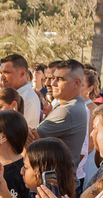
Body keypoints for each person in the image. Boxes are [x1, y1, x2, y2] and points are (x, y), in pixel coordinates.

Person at [37, 60, 90, 188]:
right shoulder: (65, 105)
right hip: (58, 183)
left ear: (76, 83)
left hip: (57, 187)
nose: (52, 83)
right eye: (53, 78)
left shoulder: (68, 110)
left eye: (59, 79)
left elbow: (32, 139)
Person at [0, 54, 42, 128]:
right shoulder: (18, 94)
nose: (2, 77)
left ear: (22, 73)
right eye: (1, 73)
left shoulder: (26, 98)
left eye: (6, 72)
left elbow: (11, 130)